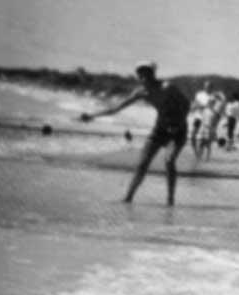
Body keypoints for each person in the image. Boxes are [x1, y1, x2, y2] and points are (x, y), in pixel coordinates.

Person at [80, 61, 190, 206]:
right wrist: (92, 116)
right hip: (160, 129)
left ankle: (170, 200)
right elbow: (116, 109)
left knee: (169, 161)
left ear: (153, 74)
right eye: (141, 75)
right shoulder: (141, 92)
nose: (144, 78)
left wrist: (178, 124)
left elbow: (186, 104)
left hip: (178, 130)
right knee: (142, 163)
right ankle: (128, 198)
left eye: (147, 74)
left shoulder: (168, 87)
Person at [190, 80, 212, 158]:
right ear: (204, 86)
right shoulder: (199, 94)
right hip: (198, 117)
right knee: (192, 136)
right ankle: (196, 153)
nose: (207, 87)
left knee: (204, 139)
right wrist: (195, 107)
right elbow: (195, 104)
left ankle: (201, 155)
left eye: (209, 86)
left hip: (206, 119)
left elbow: (209, 107)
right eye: (206, 86)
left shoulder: (212, 97)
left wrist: (201, 105)